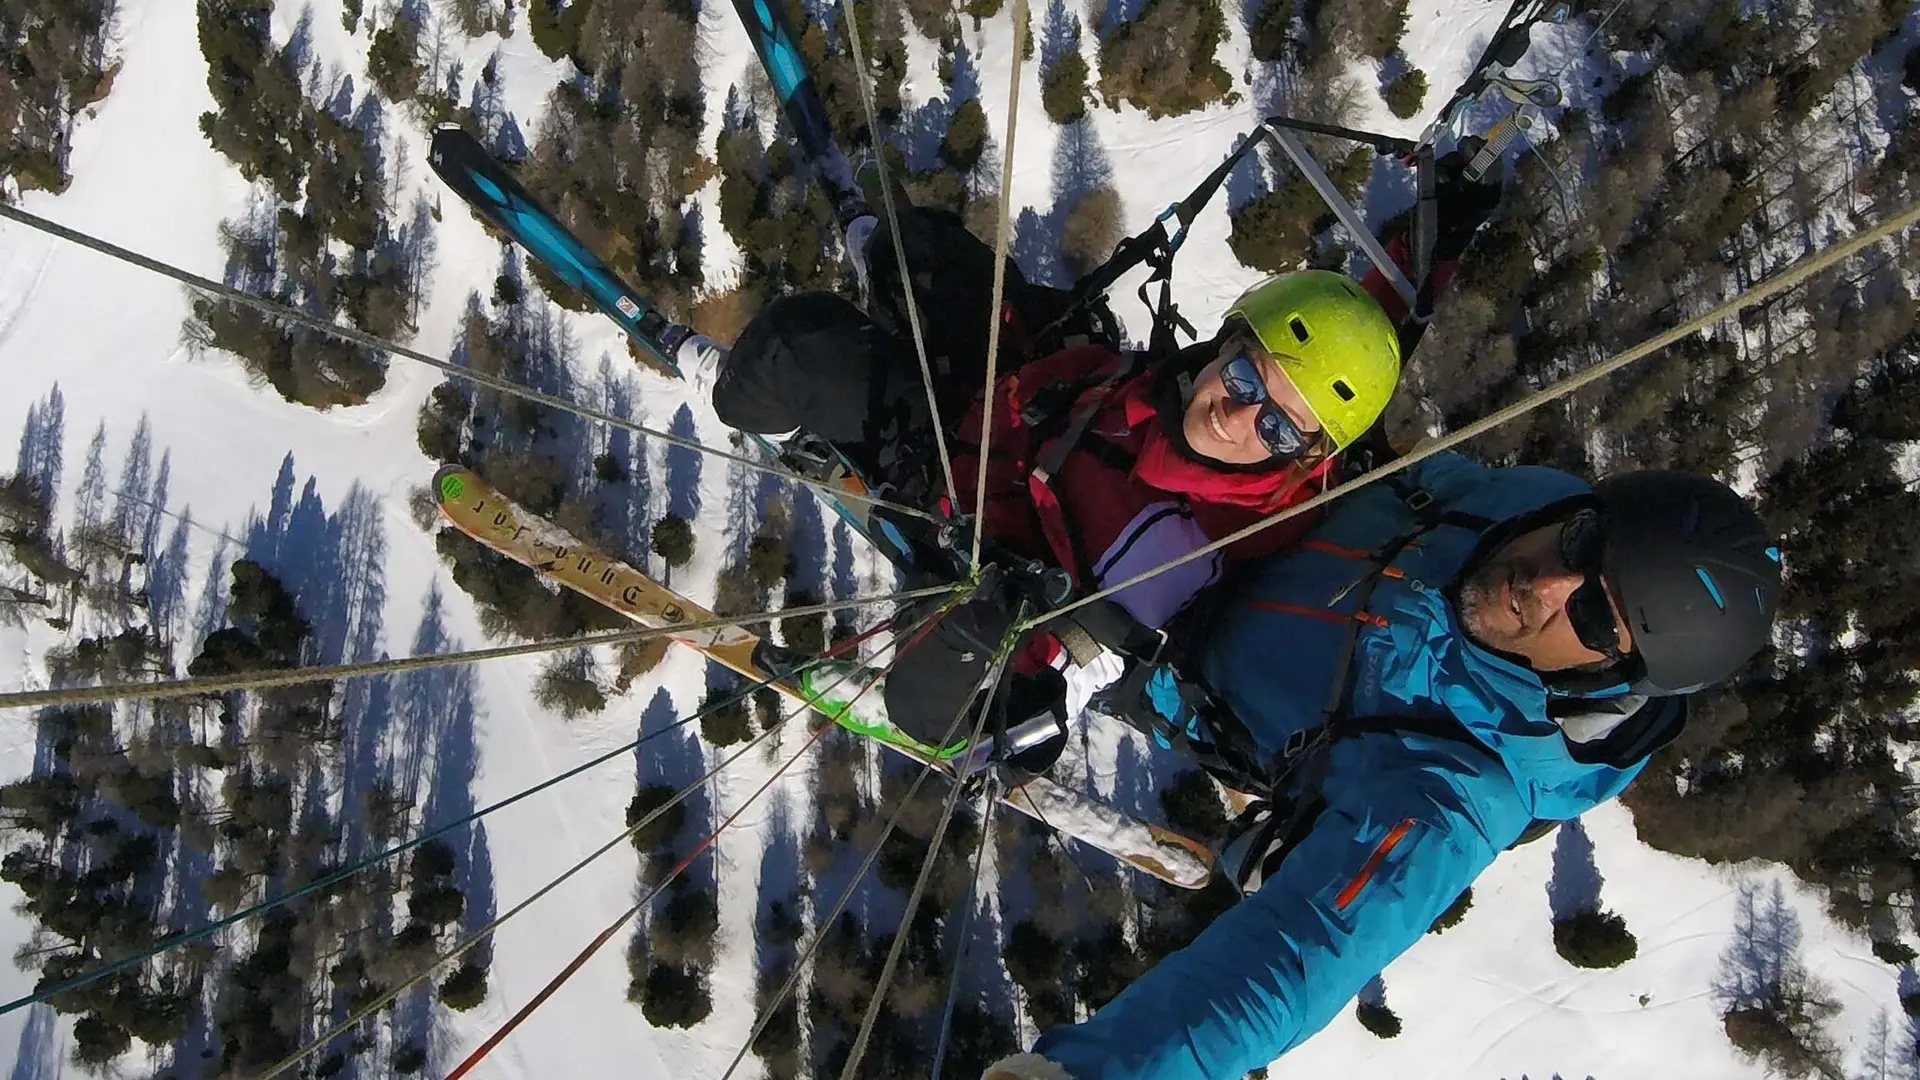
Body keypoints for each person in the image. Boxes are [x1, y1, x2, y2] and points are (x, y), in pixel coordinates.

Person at [981, 453, 1784, 1080]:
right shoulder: (1534, 503)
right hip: (1211, 517)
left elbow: (1303, 952)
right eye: (1583, 544)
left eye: (1594, 615)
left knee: (953, 557)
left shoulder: (1464, 787)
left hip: (1153, 650)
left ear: (1614, 676)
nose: (1546, 580)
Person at [707, 204, 1418, 760]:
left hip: (955, 496)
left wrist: (980, 634)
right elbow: (1378, 319)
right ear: (1224, 342)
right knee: (915, 245)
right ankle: (885, 262)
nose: (1238, 416)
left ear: (1303, 456)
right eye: (1243, 378)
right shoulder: (1154, 395)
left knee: (791, 350)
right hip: (1013, 406)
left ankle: (791, 432)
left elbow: (1007, 705)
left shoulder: (1174, 552)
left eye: (1279, 431)